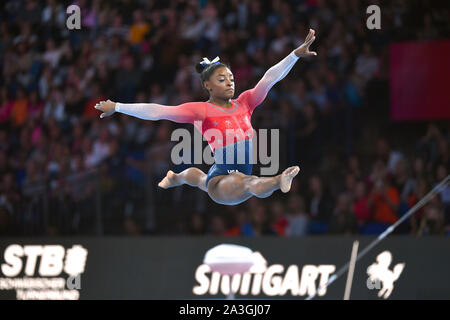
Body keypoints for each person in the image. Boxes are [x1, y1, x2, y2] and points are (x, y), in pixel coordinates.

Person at [95, 29, 318, 206]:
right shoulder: (200, 111)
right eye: (222, 79)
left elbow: (269, 78)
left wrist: (294, 55)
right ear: (207, 86)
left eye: (231, 78)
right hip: (220, 182)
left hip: (232, 177)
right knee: (248, 183)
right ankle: (279, 180)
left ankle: (177, 177)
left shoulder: (246, 102)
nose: (230, 82)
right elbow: (158, 111)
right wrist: (118, 106)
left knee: (202, 179)